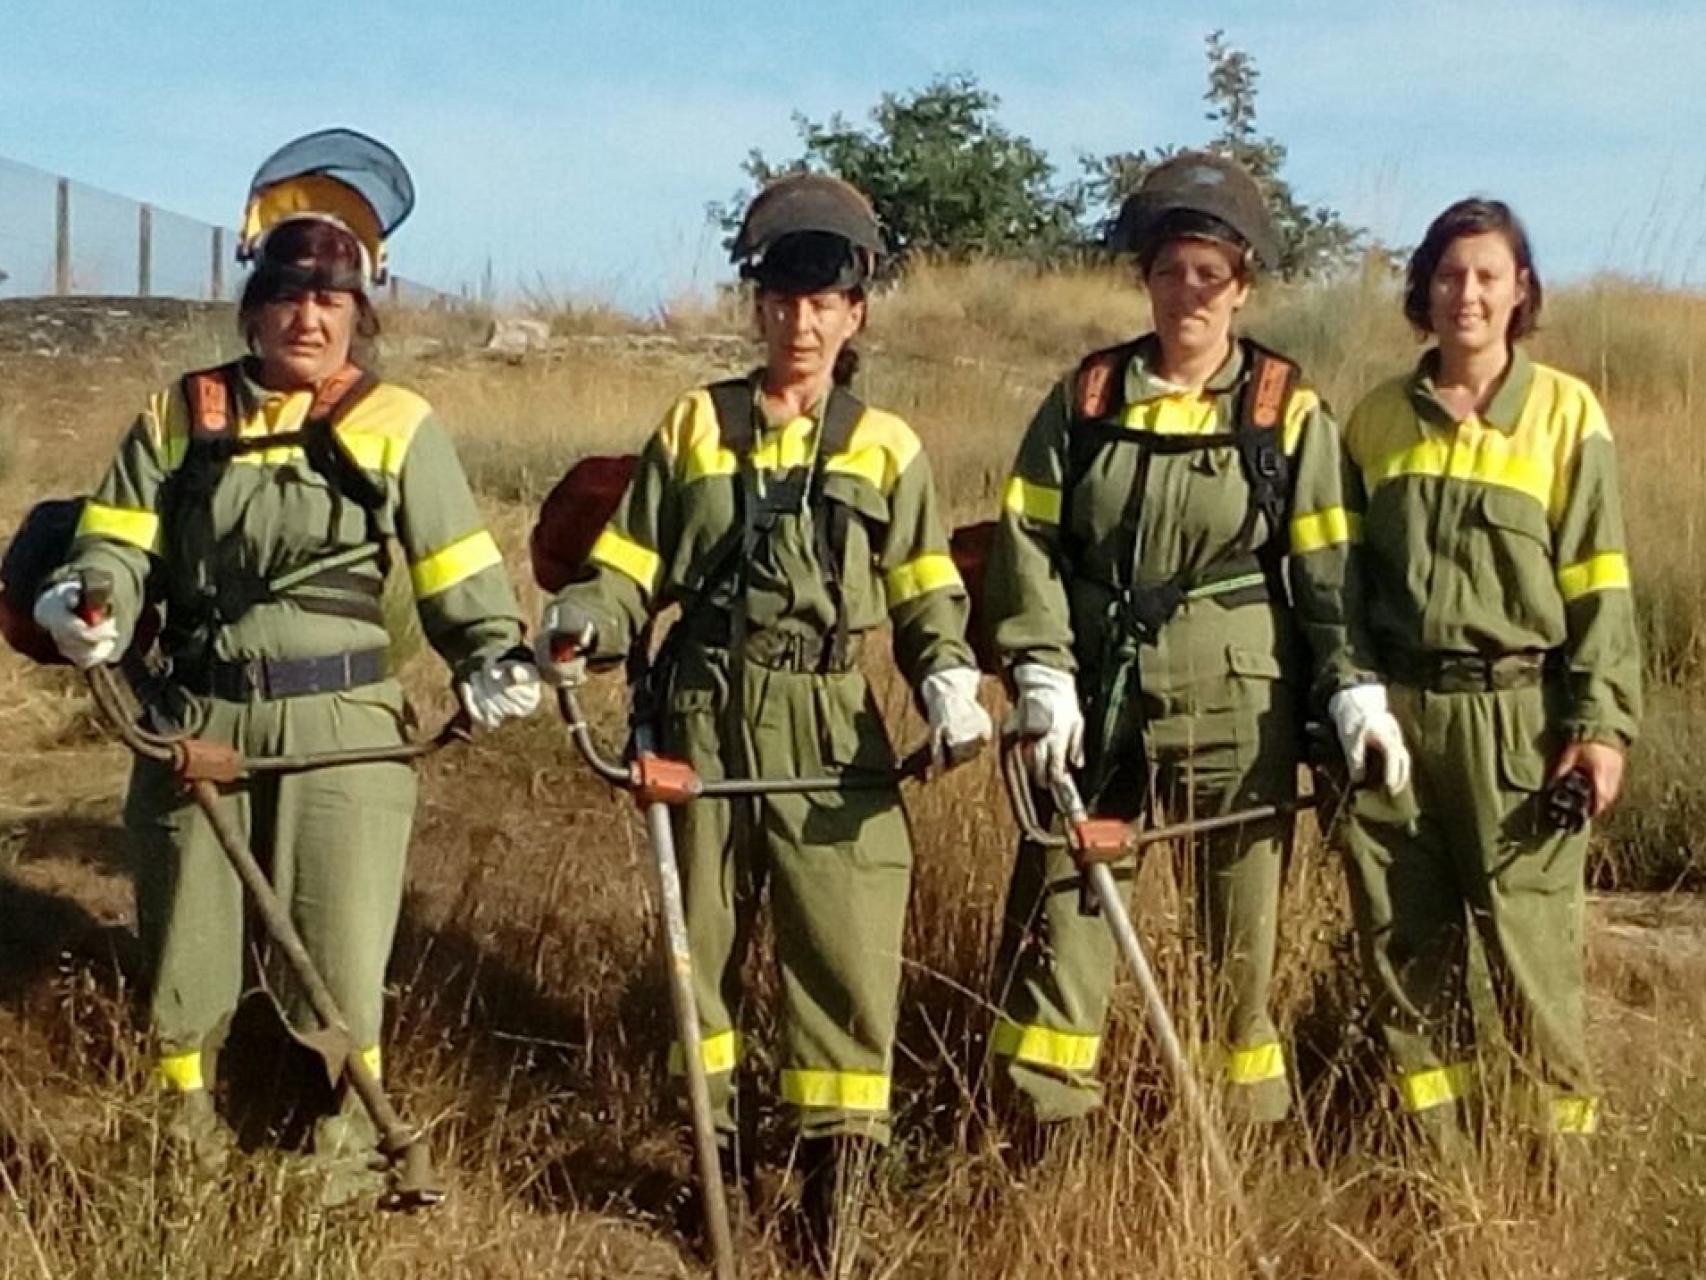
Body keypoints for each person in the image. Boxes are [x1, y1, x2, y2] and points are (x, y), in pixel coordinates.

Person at [31, 129, 538, 1192]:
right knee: (188, 949)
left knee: (338, 947)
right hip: (194, 715)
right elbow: (116, 538)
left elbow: (454, 564)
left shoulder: (396, 423)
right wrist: (93, 600)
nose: (308, 314)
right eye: (289, 290)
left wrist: (492, 653)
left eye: (332, 298)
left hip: (342, 730)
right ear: (253, 303)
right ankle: (183, 1146)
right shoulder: (182, 411)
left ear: (359, 314)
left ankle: (344, 1158)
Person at [536, 173, 991, 1255]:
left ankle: (834, 1197)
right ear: (758, 307)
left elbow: (927, 586)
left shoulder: (887, 444)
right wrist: (577, 624)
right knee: (703, 947)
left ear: (855, 313)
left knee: (843, 949)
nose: (799, 321)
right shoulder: (697, 421)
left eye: (823, 300)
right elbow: (627, 566)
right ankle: (718, 1172)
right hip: (703, 708)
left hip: (832, 721)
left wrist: (948, 681)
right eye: (781, 299)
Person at [985, 151, 1405, 1131]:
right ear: (1145, 277)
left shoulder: (1283, 411)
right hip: (1101, 714)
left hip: (1238, 713)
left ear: (1242, 282)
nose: (1187, 293)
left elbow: (1325, 567)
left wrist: (1349, 687)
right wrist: (1040, 670)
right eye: (1169, 269)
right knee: (1062, 923)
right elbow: (1026, 539)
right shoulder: (1083, 401)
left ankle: (1234, 1152)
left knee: (1238, 957)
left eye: (1208, 273)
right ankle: (1044, 1145)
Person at [1338, 198, 1639, 1143]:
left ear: (1520, 294)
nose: (1466, 293)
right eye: (1449, 274)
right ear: (1422, 290)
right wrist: (1350, 703)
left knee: (1533, 972)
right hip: (1396, 728)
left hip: (1519, 727)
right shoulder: (1375, 421)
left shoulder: (1564, 413)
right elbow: (1340, 588)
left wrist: (1599, 727)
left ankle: (1559, 1188)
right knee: (1407, 968)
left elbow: (1599, 582)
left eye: (1487, 276)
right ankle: (1446, 1180)